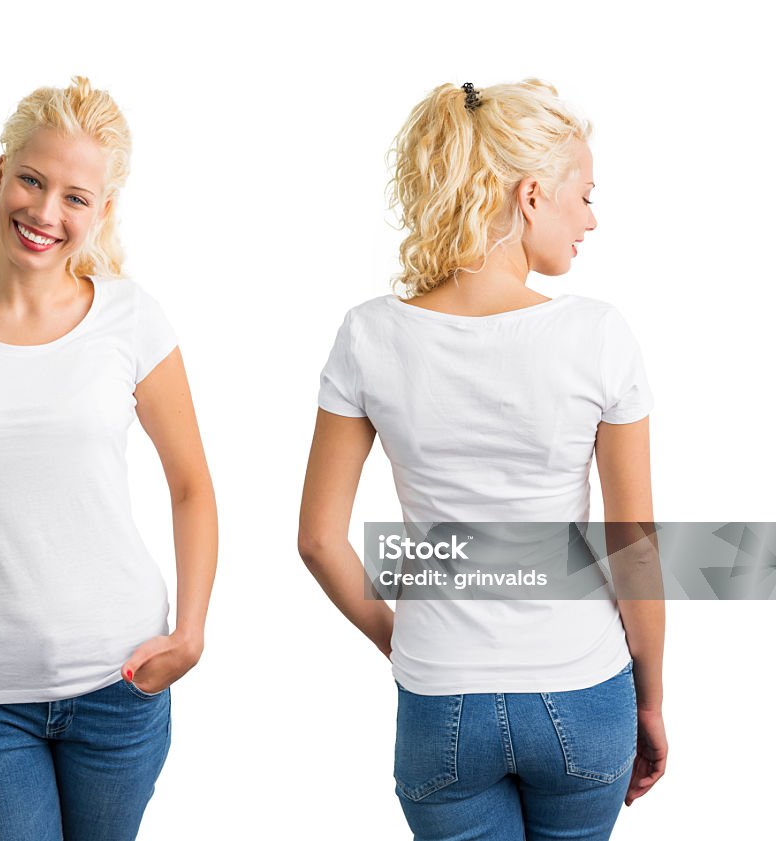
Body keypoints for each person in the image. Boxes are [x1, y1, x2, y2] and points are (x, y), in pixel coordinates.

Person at [298, 79, 667, 840]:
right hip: (583, 689)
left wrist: (399, 638)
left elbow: (317, 539)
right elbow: (635, 549)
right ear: (533, 195)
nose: (591, 219)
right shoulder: (598, 335)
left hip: (441, 701)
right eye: (587, 196)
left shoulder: (368, 335)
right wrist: (651, 700)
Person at [0, 76, 217, 841]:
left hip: (121, 679)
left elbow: (192, 485)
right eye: (31, 179)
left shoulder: (132, 318)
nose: (46, 213)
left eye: (75, 196)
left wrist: (189, 630)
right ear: (1, 173)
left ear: (103, 211)